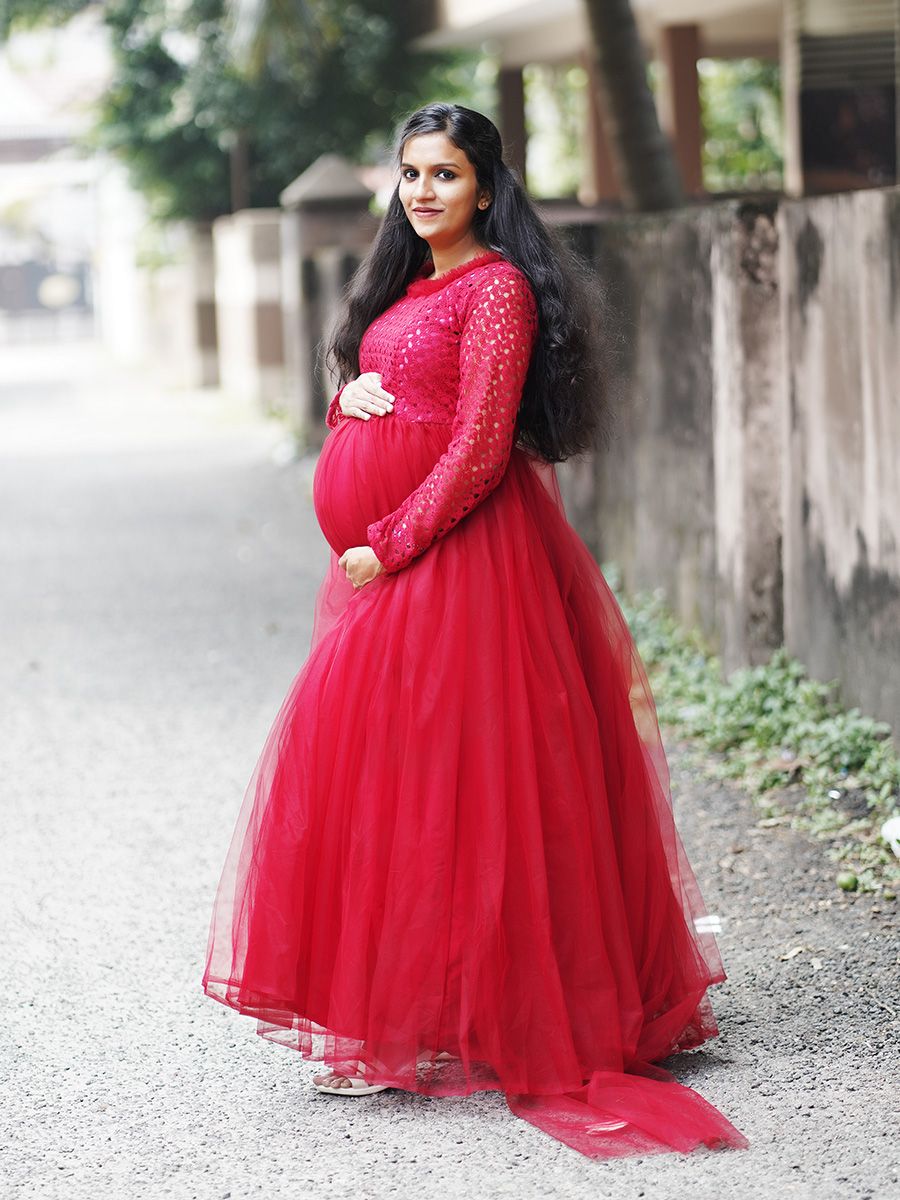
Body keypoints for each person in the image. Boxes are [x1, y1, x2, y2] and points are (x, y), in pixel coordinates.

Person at [201, 102, 748, 1161]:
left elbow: (484, 445)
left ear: (486, 188)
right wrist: (347, 403)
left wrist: (392, 541)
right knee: (397, 776)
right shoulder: (402, 286)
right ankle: (412, 1013)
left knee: (484, 784)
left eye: (444, 174)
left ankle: (497, 1014)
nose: (422, 192)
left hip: (465, 562)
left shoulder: (496, 290)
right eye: (410, 174)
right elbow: (387, 396)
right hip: (391, 562)